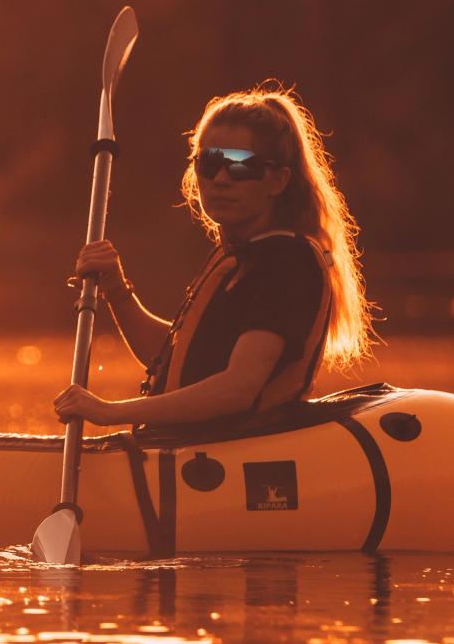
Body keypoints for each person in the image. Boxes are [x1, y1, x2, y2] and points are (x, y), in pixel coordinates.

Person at [52, 84, 375, 430]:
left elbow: (237, 389)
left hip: (237, 460)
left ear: (278, 181)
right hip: (190, 456)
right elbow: (169, 358)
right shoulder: (237, 256)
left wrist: (112, 412)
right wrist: (116, 289)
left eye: (241, 166)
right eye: (210, 162)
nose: (221, 179)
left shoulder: (289, 265)